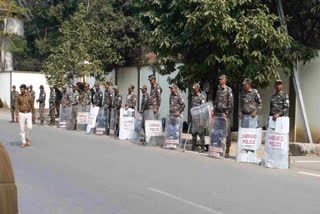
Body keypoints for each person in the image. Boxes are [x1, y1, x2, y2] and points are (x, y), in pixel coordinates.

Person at [212, 75, 233, 157]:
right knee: (218, 131)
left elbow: (230, 103)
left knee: (227, 132)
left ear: (225, 80)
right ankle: (219, 147)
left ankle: (227, 149)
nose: (220, 80)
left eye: (221, 79)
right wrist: (213, 110)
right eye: (219, 79)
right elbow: (215, 101)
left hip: (225, 113)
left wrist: (227, 113)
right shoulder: (218, 90)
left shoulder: (228, 90)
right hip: (218, 113)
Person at [190, 83, 206, 152]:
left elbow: (203, 108)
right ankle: (193, 147)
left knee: (201, 133)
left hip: (199, 118)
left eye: (195, 88)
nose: (193, 90)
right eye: (193, 89)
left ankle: (202, 147)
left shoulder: (201, 97)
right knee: (193, 133)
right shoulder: (192, 96)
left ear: (198, 88)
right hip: (194, 118)